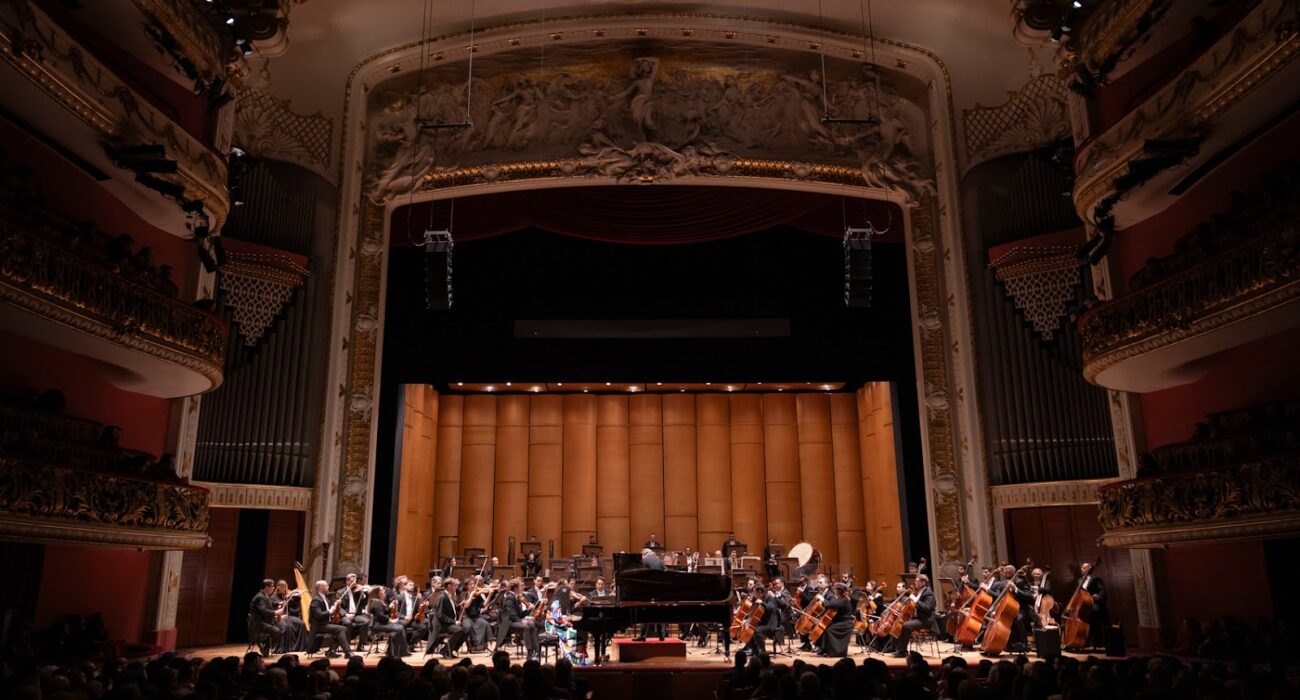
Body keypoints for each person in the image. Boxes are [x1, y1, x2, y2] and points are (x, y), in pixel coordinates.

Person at [892, 574, 937, 658]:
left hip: (927, 620)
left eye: (917, 581)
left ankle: (903, 651)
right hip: (919, 618)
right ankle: (899, 650)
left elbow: (927, 608)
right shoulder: (920, 591)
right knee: (900, 624)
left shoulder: (929, 593)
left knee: (906, 626)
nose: (915, 582)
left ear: (923, 582)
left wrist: (915, 599)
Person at [495, 578, 539, 660]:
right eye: (520, 586)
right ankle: (529, 653)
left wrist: (526, 612)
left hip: (514, 621)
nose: (522, 588)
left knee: (531, 624)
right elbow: (511, 614)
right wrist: (522, 621)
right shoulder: (509, 597)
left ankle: (536, 651)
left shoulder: (515, 597)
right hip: (508, 623)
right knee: (526, 627)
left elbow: (518, 614)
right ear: (515, 588)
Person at [308, 580, 353, 658]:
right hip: (319, 626)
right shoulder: (316, 600)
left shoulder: (325, 598)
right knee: (342, 629)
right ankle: (347, 652)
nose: (328, 587)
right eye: (326, 586)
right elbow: (318, 615)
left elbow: (329, 611)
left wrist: (336, 605)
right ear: (321, 587)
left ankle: (332, 651)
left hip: (326, 624)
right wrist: (330, 611)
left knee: (344, 628)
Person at [429, 578, 467, 658]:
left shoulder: (449, 596)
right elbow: (440, 615)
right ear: (449, 586)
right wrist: (454, 622)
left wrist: (459, 606)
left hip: (448, 623)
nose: (456, 587)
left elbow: (450, 609)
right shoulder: (442, 597)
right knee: (458, 630)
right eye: (454, 585)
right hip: (442, 625)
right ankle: (445, 650)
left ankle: (452, 650)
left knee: (466, 630)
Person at [367, 587, 410, 657]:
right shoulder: (376, 602)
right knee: (399, 628)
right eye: (382, 590)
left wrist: (391, 606)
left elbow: (385, 611)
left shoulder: (378, 601)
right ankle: (398, 652)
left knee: (399, 628)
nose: (384, 591)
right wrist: (390, 621)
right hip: (378, 625)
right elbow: (380, 616)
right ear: (378, 593)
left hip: (381, 624)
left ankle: (395, 651)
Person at [817, 583, 855, 657]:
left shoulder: (844, 600)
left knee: (829, 630)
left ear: (839, 591)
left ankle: (835, 652)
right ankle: (825, 650)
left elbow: (830, 604)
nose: (834, 591)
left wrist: (822, 599)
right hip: (841, 622)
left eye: (835, 589)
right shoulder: (840, 599)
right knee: (826, 628)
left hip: (845, 623)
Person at [1078, 561, 1109, 649]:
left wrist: (1098, 596)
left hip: (1093, 603)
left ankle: (1097, 642)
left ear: (1089, 569)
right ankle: (1084, 641)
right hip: (1083, 605)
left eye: (1084, 568)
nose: (1081, 569)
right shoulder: (1079, 580)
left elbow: (1103, 590)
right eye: (1081, 568)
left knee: (1095, 613)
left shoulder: (1096, 579)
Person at [248, 579, 283, 655]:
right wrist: (275, 612)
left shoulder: (264, 595)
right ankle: (264, 645)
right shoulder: (260, 597)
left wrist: (277, 604)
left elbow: (268, 605)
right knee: (277, 631)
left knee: (282, 628)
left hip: (263, 622)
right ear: (266, 587)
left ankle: (265, 645)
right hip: (258, 624)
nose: (273, 588)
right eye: (272, 586)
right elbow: (263, 610)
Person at [271, 580, 307, 652]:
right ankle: (287, 648)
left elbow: (294, 604)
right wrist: (282, 603)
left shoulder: (286, 596)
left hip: (288, 616)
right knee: (288, 626)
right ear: (278, 587)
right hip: (279, 618)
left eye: (286, 586)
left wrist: (293, 596)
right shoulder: (273, 597)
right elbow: (273, 609)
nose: (285, 589)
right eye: (283, 587)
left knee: (301, 624)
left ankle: (299, 647)